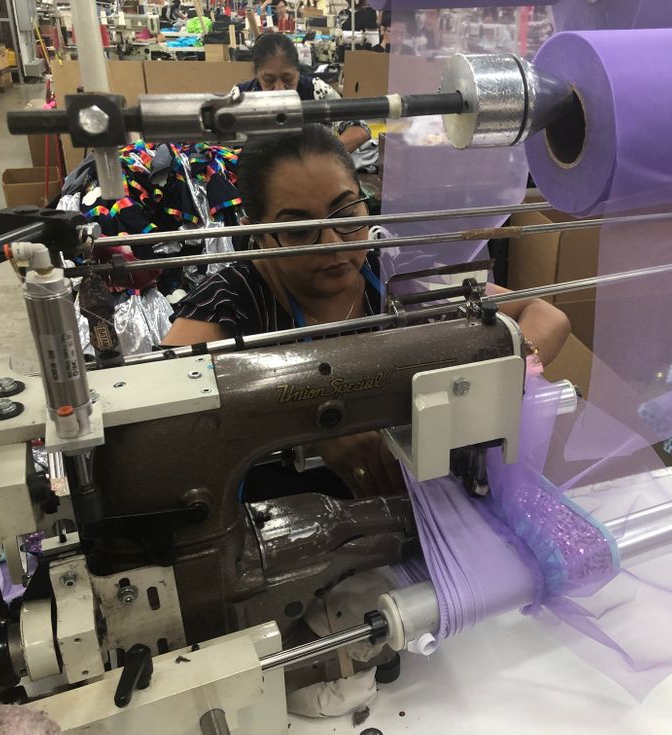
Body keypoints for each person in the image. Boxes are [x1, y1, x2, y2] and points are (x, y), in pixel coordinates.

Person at [163, 125, 571, 497]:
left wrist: (503, 375)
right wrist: (306, 425)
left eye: (346, 214)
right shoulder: (229, 304)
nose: (332, 243)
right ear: (257, 232)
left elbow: (544, 315)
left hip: (417, 503)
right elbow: (164, 427)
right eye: (299, 229)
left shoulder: (396, 269)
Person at [237, 33, 371, 153]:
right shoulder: (240, 97)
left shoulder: (316, 91)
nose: (279, 88)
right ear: (257, 75)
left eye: (288, 79)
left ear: (298, 72)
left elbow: (360, 129)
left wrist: (324, 158)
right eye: (268, 80)